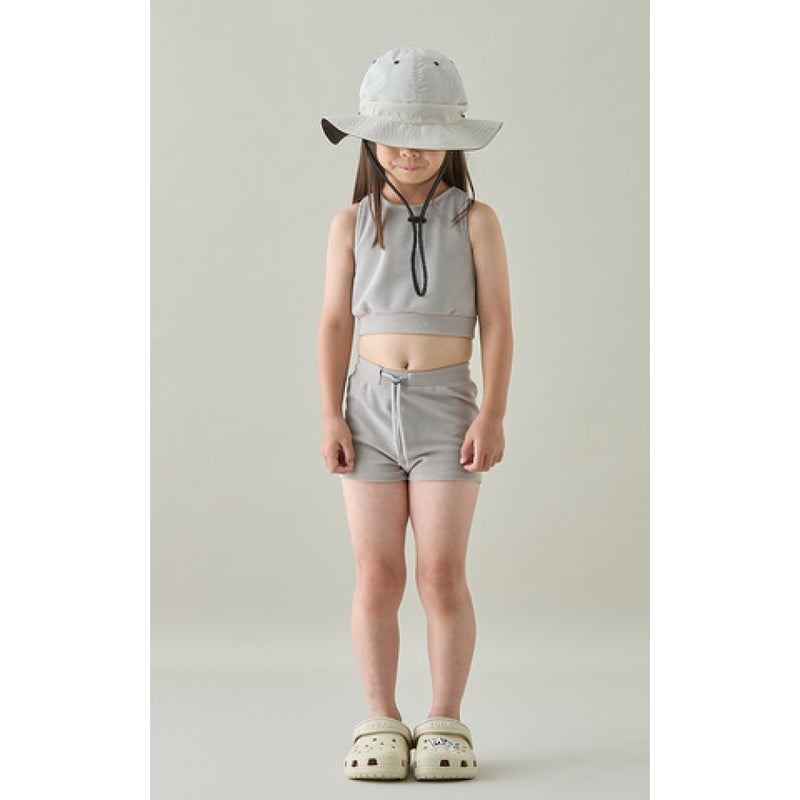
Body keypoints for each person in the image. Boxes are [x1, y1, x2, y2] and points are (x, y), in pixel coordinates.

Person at [317, 47, 512, 781]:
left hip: (446, 409)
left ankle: (444, 720)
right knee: (377, 574)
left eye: (427, 137)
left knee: (440, 573)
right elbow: (335, 323)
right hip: (366, 409)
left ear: (451, 142)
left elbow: (498, 322)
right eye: (395, 136)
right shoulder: (351, 222)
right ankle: (381, 716)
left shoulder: (476, 220)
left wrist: (492, 413)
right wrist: (331, 414)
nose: (409, 152)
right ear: (370, 139)